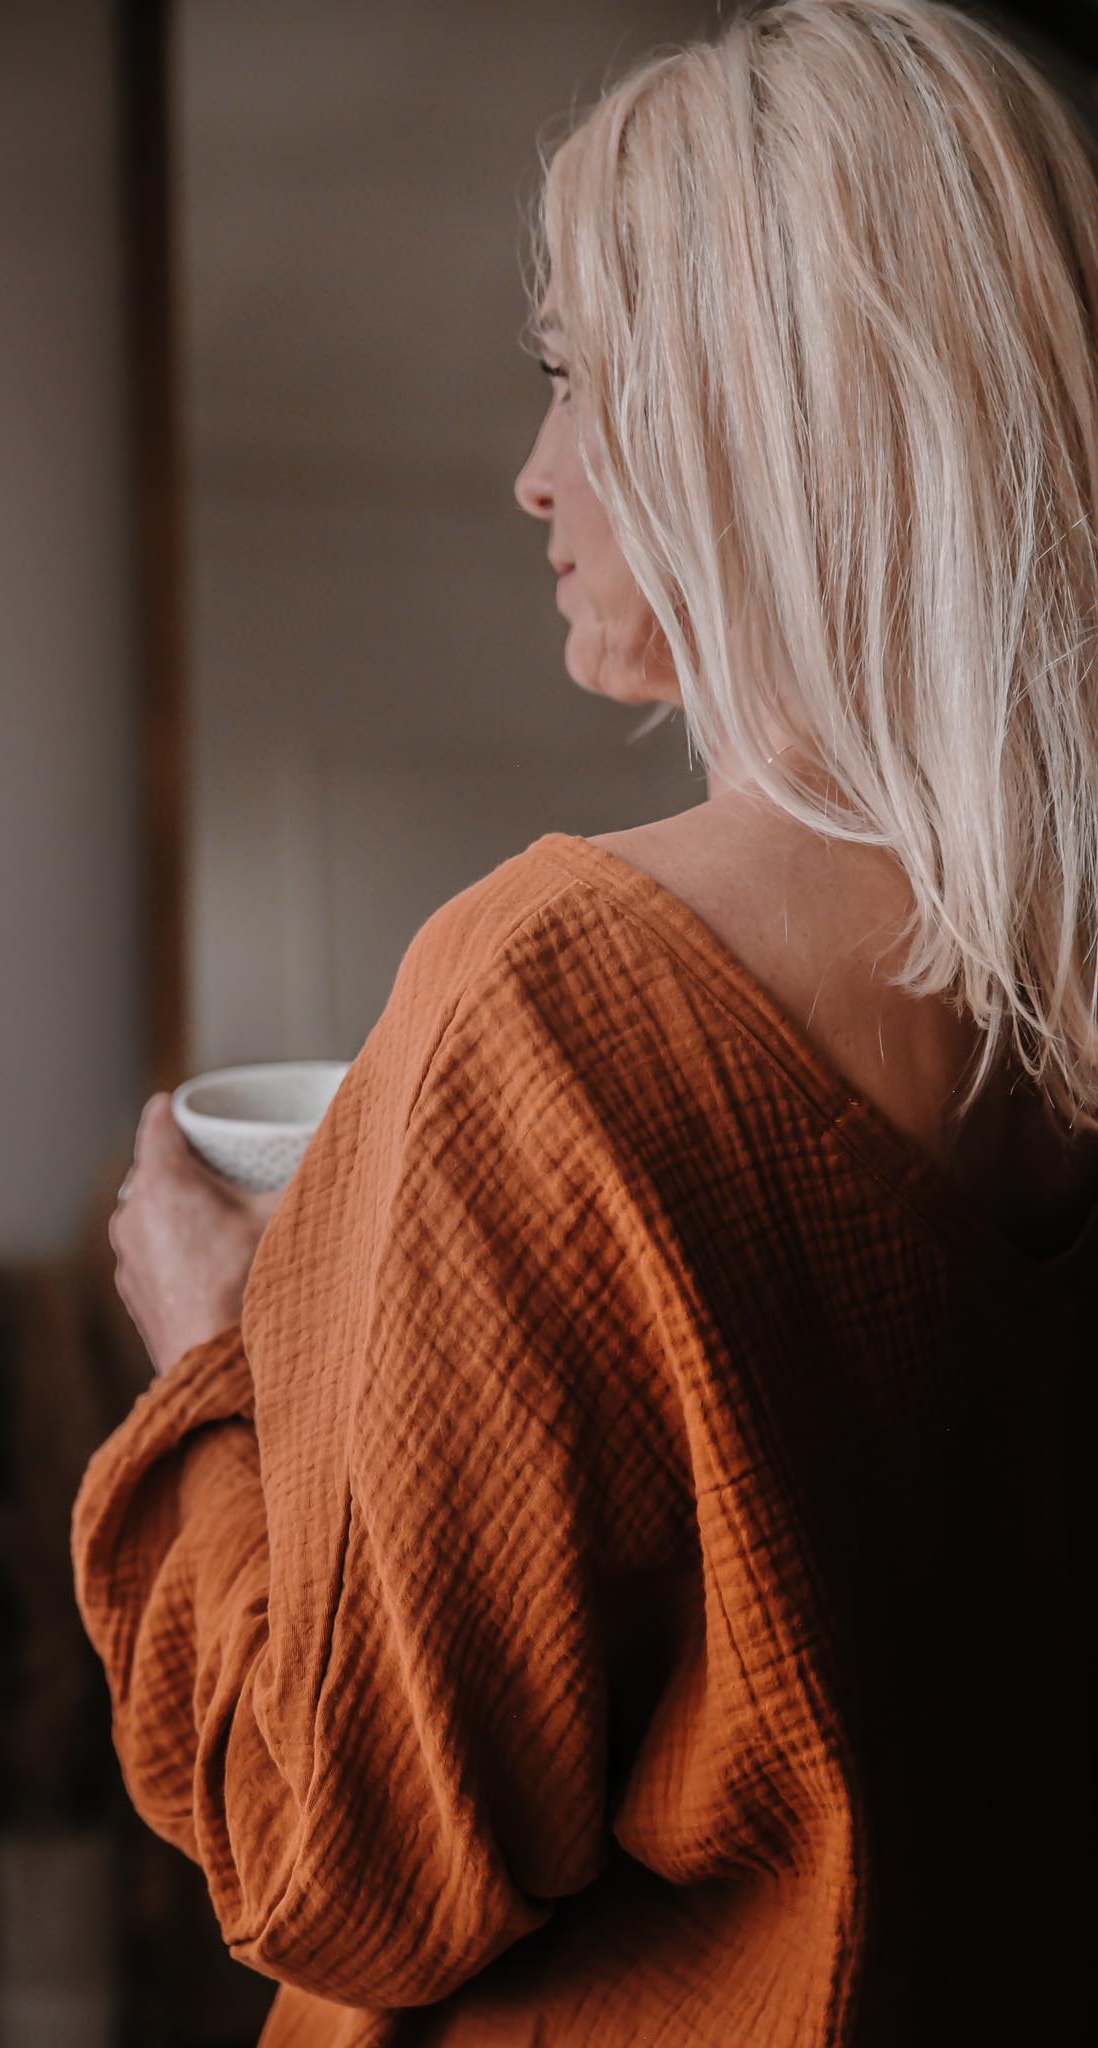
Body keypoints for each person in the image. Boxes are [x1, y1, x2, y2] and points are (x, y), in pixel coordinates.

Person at [73, 2, 1098, 2040]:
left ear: (761, 421)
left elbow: (340, 1864)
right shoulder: (1044, 987)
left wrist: (208, 1366)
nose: (530, 478)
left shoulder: (549, 992)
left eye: (574, 384)